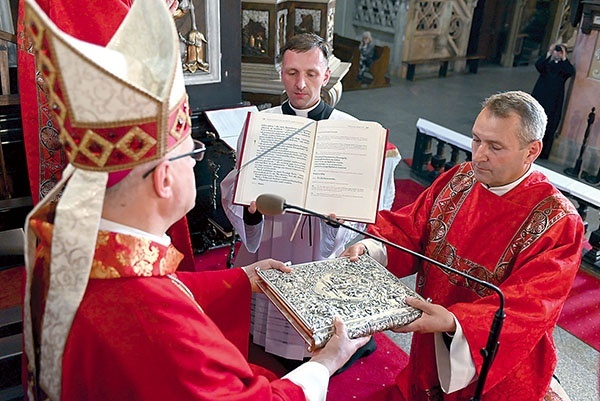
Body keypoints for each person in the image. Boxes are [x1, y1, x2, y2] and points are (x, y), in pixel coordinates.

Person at [21, 1, 369, 400]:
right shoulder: (159, 323)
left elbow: (164, 289)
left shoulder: (73, 251)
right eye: (193, 153)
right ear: (165, 178)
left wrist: (241, 279)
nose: (300, 82)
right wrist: (325, 363)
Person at [343, 91, 584, 401]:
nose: (479, 155)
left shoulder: (557, 221)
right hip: (432, 343)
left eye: (495, 147)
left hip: (496, 365)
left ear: (531, 151)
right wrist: (372, 251)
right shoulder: (460, 179)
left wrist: (455, 321)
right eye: (476, 140)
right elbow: (413, 230)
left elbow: (531, 306)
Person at [220, 32, 393, 364]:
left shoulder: (350, 129)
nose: (300, 83)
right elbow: (236, 187)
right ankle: (272, 344)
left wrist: (340, 218)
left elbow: (364, 201)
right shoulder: (260, 125)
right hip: (273, 235)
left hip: (320, 246)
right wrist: (252, 213)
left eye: (311, 74)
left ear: (325, 75)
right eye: (292, 73)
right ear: (281, 73)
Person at [531, 43, 575, 159]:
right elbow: (538, 65)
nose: (557, 53)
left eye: (559, 52)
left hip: (554, 99)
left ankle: (544, 152)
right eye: (556, 51)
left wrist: (564, 57)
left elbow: (570, 72)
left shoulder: (563, 68)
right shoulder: (547, 65)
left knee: (550, 124)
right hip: (540, 96)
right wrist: (549, 52)